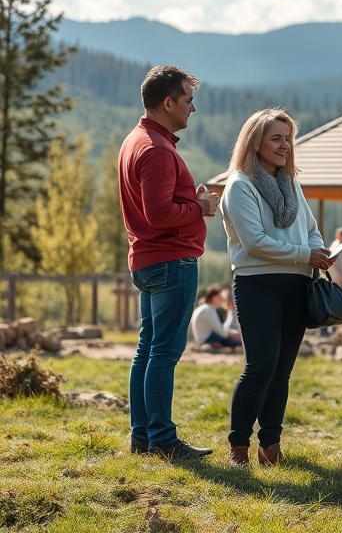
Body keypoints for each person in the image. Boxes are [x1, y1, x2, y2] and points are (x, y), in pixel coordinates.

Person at [220, 108, 336, 468]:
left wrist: (319, 249)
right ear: (255, 141)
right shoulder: (240, 185)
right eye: (276, 138)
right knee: (260, 367)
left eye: (288, 138)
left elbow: (312, 228)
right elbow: (255, 242)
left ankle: (270, 445)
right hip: (259, 285)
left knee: (282, 370)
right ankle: (238, 448)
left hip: (297, 284)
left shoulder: (293, 185)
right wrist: (305, 252)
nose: (285, 145)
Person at [118, 64, 219, 460]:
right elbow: (159, 214)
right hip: (170, 261)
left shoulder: (136, 140)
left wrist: (187, 199)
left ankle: (142, 437)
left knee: (147, 349)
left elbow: (155, 206)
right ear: (168, 102)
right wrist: (201, 206)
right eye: (188, 101)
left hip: (146, 260)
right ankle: (162, 440)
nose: (193, 109)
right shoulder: (157, 149)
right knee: (164, 352)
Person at [190, 285, 242, 349]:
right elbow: (221, 331)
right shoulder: (208, 310)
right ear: (215, 297)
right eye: (221, 297)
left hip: (203, 338)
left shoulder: (206, 308)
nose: (223, 300)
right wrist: (236, 334)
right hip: (207, 339)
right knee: (237, 342)